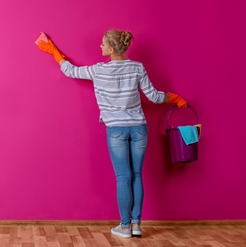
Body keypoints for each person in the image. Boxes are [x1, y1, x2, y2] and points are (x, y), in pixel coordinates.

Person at [38, 29, 187, 238]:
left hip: (116, 129)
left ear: (111, 49)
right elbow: (154, 97)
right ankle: (136, 225)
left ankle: (125, 227)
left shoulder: (99, 70)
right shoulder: (137, 67)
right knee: (136, 175)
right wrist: (174, 98)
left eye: (102, 44)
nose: (100, 46)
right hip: (139, 129)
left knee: (123, 178)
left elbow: (70, 71)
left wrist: (53, 50)